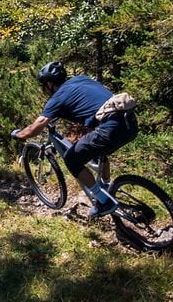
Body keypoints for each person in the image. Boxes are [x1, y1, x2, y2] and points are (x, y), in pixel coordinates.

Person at [10, 61, 138, 217]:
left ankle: (104, 201)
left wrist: (19, 134)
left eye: (43, 86)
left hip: (110, 128)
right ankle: (107, 186)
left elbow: (36, 127)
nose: (43, 90)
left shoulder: (57, 98)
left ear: (49, 84)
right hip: (129, 122)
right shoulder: (82, 79)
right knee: (98, 151)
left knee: (71, 159)